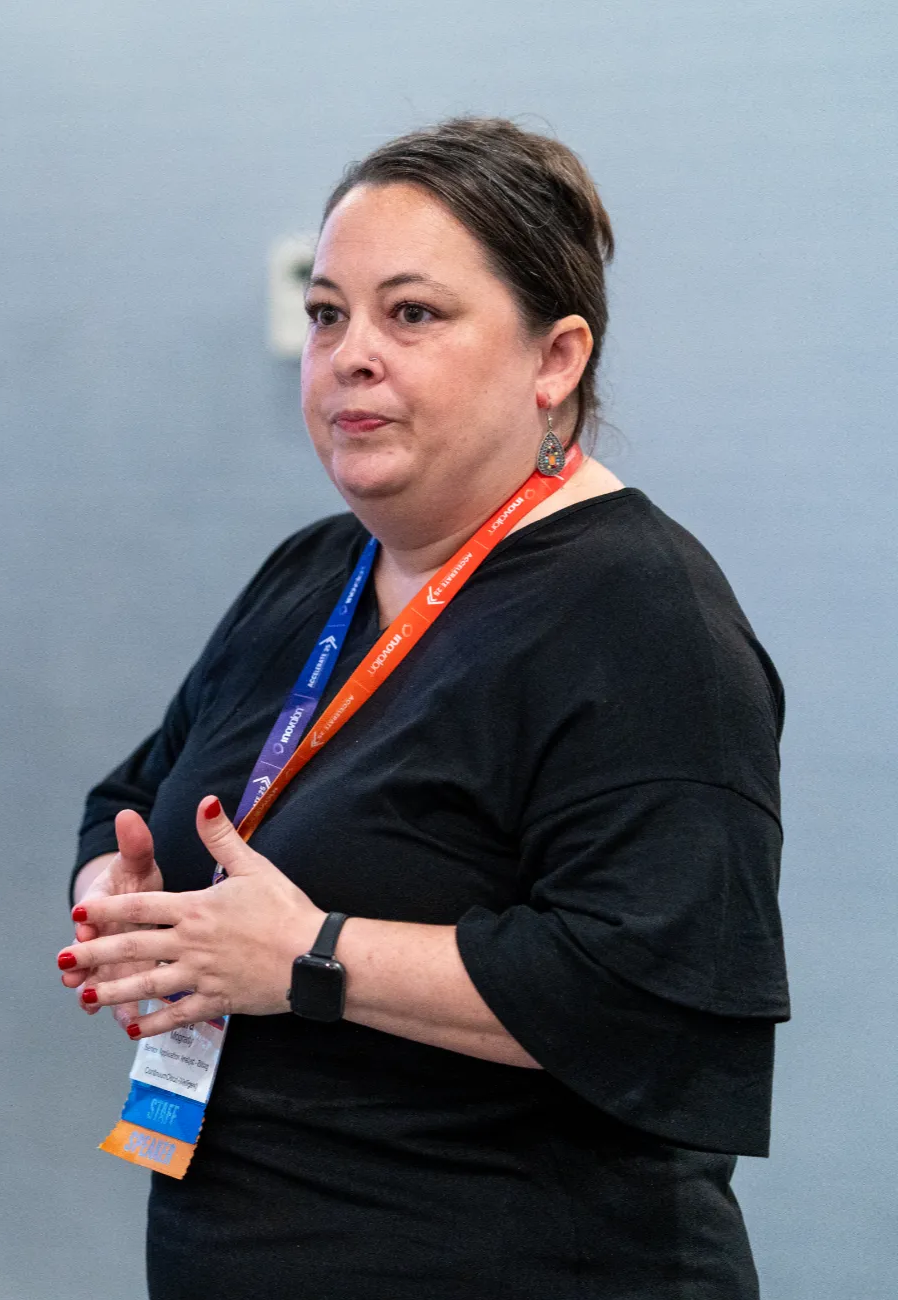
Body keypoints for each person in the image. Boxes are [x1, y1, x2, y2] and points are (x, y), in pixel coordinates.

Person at [57, 118, 788, 1298]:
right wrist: (126, 897)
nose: (351, 355)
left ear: (555, 359)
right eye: (326, 315)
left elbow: (642, 990)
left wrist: (309, 955)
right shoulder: (314, 573)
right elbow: (138, 795)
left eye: (411, 314)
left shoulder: (643, 617)